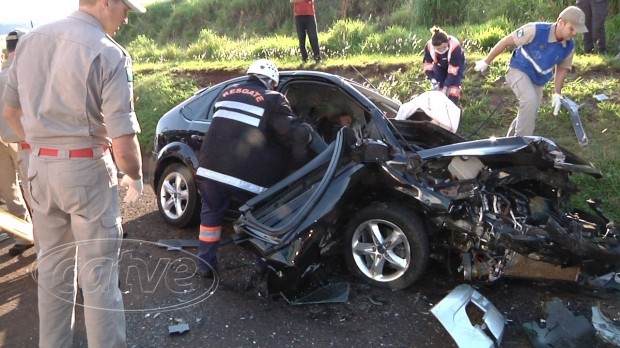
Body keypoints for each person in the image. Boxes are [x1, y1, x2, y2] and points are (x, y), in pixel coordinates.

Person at [2, 0, 146, 347]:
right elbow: (124, 146)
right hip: (86, 170)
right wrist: (136, 175)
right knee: (98, 279)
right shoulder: (109, 54)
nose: (126, 18)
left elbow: (9, 112)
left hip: (39, 170)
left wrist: (39, 144)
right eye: (125, 9)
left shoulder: (30, 41)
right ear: (106, 2)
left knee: (53, 274)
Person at [195, 59, 313, 277]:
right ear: (271, 82)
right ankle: (263, 265)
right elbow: (291, 132)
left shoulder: (226, 93)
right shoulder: (273, 98)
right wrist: (307, 132)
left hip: (209, 169)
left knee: (210, 218)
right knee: (262, 217)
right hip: (245, 175)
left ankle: (205, 265)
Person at [474, 6, 588, 136]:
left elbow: (562, 69)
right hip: (518, 70)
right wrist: (486, 61)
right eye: (572, 29)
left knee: (529, 111)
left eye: (577, 31)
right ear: (561, 22)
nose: (574, 34)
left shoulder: (569, 46)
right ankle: (521, 146)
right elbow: (506, 41)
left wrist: (557, 93)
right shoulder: (535, 30)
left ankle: (508, 142)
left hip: (538, 80)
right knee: (530, 100)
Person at [0, 29, 33, 256]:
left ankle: (24, 235)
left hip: (6, 138)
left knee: (10, 190)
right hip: (23, 139)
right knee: (34, 191)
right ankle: (43, 240)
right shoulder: (26, 74)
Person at [423, 26, 466, 106]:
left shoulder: (455, 47)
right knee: (438, 86)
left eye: (444, 47)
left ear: (448, 42)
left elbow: (452, 71)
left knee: (453, 88)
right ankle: (439, 111)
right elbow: (427, 65)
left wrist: (446, 88)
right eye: (438, 49)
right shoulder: (429, 46)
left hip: (457, 64)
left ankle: (453, 108)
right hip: (439, 64)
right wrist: (432, 79)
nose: (442, 50)